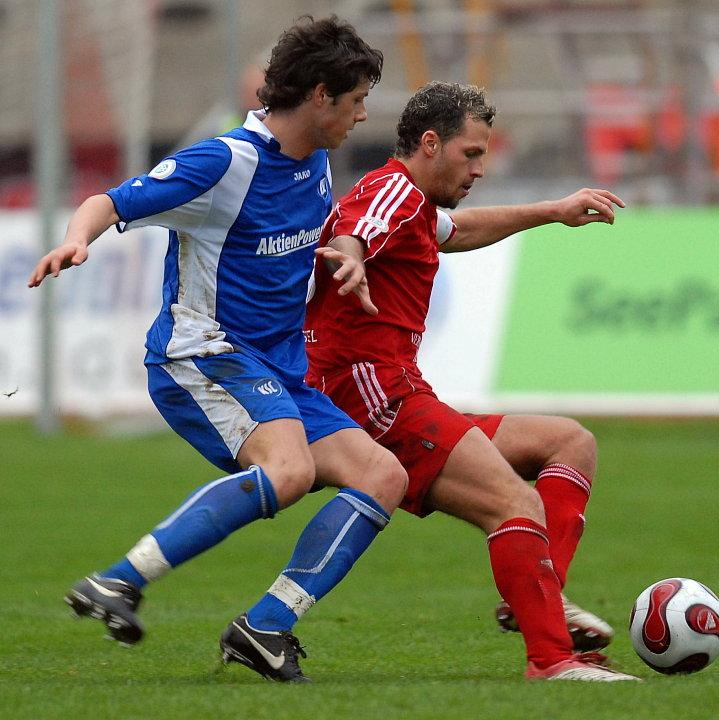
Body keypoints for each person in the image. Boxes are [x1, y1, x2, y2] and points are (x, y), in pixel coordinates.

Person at [27, 16, 409, 683]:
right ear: (321, 96)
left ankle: (266, 626)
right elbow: (109, 201)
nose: (363, 114)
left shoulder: (315, 161)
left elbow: (314, 235)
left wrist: (346, 255)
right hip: (202, 354)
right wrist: (78, 238)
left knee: (383, 477)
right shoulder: (225, 161)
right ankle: (117, 581)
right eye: (355, 102)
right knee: (288, 472)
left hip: (279, 369)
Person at [303, 81, 640, 681]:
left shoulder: (414, 206)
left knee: (569, 443)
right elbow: (354, 229)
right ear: (430, 144)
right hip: (370, 394)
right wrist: (350, 255)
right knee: (515, 502)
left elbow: (460, 232)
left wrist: (552, 211)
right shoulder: (391, 192)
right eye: (472, 154)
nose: (480, 168)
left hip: (400, 390)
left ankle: (537, 599)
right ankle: (553, 660)